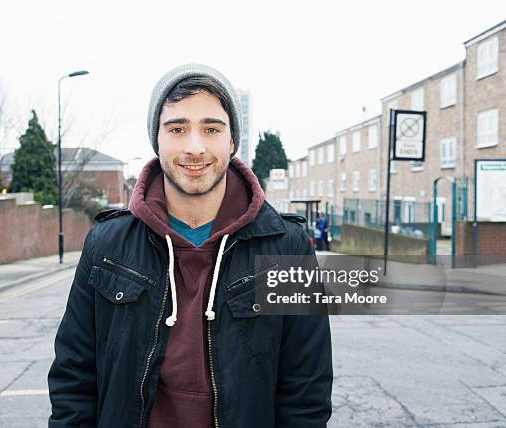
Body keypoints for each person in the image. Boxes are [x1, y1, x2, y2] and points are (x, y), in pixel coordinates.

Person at [47, 63, 333, 427]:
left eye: (211, 128)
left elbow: (306, 390)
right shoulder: (107, 243)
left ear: (231, 141)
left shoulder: (287, 246)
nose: (194, 147)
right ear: (158, 140)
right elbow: (73, 377)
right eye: (177, 128)